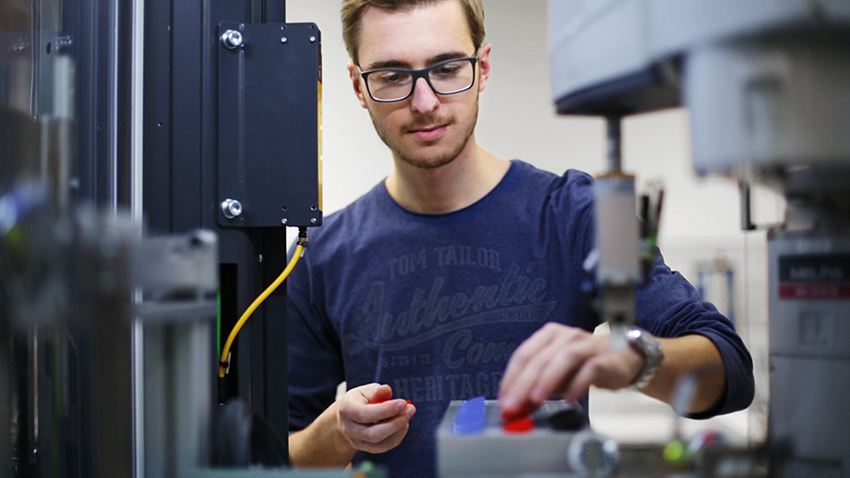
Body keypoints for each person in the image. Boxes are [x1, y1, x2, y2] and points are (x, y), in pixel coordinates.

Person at [286, 1, 754, 477]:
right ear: (358, 87)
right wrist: (336, 433)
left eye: (447, 69)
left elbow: (729, 371)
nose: (424, 102)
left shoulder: (573, 215)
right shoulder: (322, 253)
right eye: (391, 75)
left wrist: (631, 358)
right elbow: (276, 452)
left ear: (482, 66)